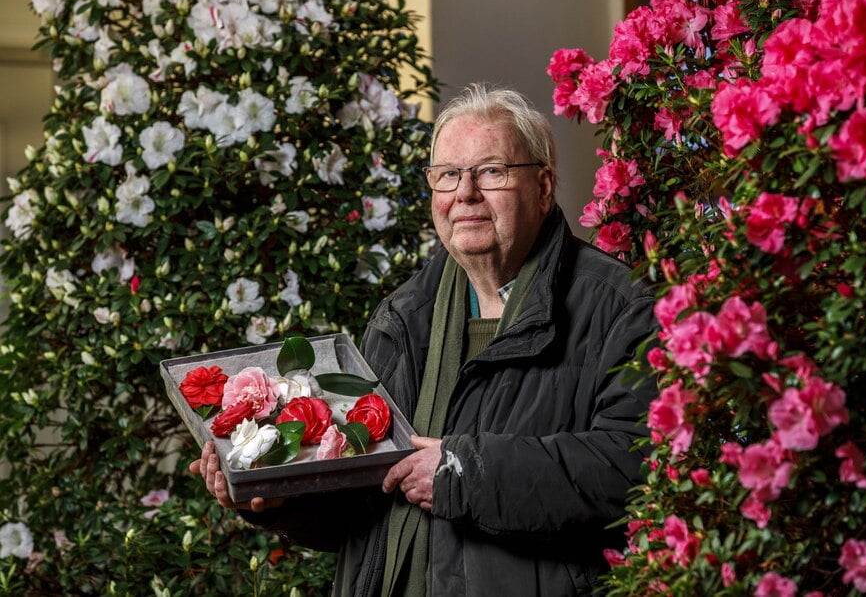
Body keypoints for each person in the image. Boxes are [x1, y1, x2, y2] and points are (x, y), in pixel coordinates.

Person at [190, 83, 658, 596]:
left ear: (544, 186)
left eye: (492, 171)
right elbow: (361, 501)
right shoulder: (403, 315)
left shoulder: (619, 306)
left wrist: (467, 472)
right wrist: (276, 496)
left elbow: (632, 469)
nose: (466, 194)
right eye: (448, 175)